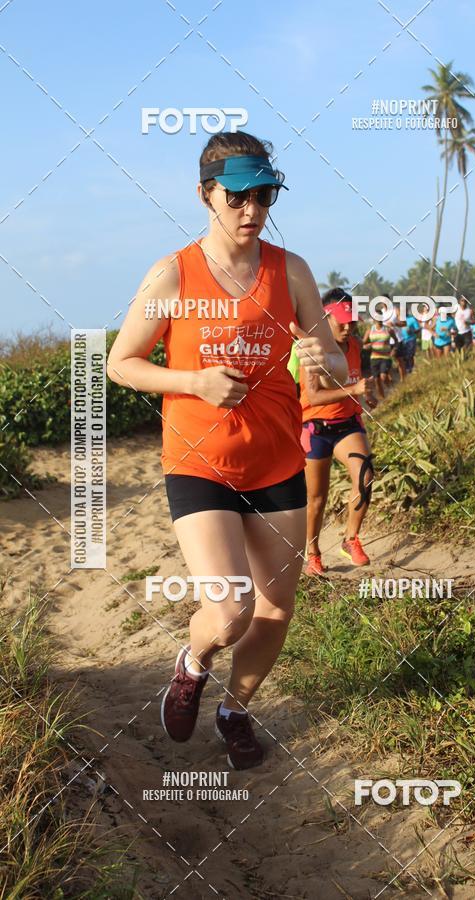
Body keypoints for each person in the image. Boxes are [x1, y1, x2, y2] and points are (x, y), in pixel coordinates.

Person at [107, 131, 348, 770]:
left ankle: (235, 710)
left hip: (276, 459)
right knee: (232, 606)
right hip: (198, 460)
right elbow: (121, 363)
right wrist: (193, 381)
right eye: (237, 195)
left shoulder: (289, 269)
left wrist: (322, 352)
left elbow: (323, 347)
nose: (252, 209)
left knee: (275, 607)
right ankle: (191, 666)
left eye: (264, 195)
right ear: (205, 194)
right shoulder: (173, 273)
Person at [300, 292, 377, 575]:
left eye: (353, 322)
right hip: (316, 427)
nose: (348, 328)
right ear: (325, 318)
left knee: (365, 476)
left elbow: (357, 380)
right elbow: (314, 396)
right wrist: (353, 391)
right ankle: (313, 553)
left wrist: (367, 397)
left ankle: (350, 539)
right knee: (316, 498)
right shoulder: (313, 349)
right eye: (342, 322)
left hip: (347, 424)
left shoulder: (355, 345)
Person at [363, 314, 396, 398]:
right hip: (374, 358)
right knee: (376, 380)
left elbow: (396, 341)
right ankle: (383, 398)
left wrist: (394, 350)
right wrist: (366, 346)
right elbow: (362, 343)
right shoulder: (370, 330)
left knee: (383, 377)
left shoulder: (388, 329)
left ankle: (392, 389)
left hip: (386, 357)